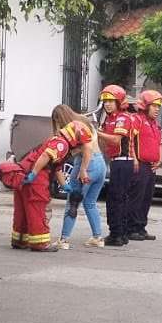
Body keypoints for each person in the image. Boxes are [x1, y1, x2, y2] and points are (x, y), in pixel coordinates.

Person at [10, 111, 73, 252]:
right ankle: (40, 243)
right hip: (37, 177)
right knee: (37, 209)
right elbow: (45, 156)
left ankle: (19, 240)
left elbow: (56, 168)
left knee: (22, 209)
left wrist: (64, 185)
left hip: (23, 173)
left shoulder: (54, 140)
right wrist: (34, 174)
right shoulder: (62, 144)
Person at [51, 104, 107, 249]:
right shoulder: (85, 120)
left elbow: (86, 149)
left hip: (86, 164)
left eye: (57, 121)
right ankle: (97, 237)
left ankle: (63, 240)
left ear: (59, 117)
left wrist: (83, 170)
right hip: (100, 163)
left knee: (73, 203)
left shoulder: (73, 126)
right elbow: (88, 145)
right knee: (90, 202)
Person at [95, 84, 136, 247]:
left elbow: (116, 140)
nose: (107, 104)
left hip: (123, 162)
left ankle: (116, 234)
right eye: (105, 101)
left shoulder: (122, 118)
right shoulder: (110, 119)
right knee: (119, 198)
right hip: (116, 161)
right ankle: (121, 233)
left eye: (111, 101)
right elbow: (106, 143)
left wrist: (96, 133)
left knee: (115, 199)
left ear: (119, 102)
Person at [129, 89, 162, 241]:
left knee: (146, 198)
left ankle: (141, 227)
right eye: (154, 106)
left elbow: (159, 143)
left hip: (151, 166)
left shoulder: (154, 123)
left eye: (158, 106)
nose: (157, 109)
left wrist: (159, 159)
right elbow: (130, 139)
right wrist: (134, 159)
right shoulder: (137, 119)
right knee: (136, 197)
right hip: (140, 165)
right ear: (145, 105)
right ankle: (132, 228)